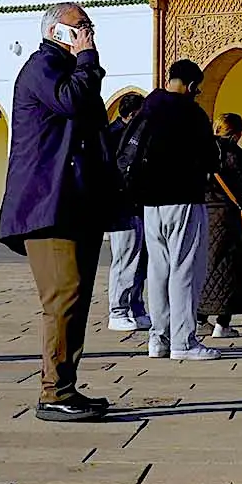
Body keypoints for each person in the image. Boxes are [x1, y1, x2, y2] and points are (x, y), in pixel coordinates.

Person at [0, 3, 121, 422]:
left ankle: (65, 387)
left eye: (89, 26)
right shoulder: (42, 66)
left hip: (74, 202)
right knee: (63, 296)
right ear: (56, 32)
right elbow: (72, 101)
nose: (88, 33)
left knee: (77, 298)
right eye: (79, 26)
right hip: (48, 205)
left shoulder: (70, 71)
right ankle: (53, 392)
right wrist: (88, 59)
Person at [128, 59, 220, 361]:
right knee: (185, 269)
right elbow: (211, 158)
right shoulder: (190, 113)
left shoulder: (147, 109)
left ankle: (159, 338)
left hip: (150, 203)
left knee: (158, 270)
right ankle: (183, 341)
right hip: (182, 199)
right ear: (192, 86)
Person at [200, 113, 242, 338]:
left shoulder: (201, 152)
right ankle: (222, 324)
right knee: (229, 271)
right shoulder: (236, 155)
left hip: (203, 216)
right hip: (229, 220)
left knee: (203, 269)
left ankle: (200, 319)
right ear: (236, 134)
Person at [104, 92, 150, 333]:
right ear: (132, 114)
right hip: (121, 206)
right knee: (124, 259)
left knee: (141, 260)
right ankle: (117, 310)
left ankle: (136, 307)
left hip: (139, 204)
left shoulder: (136, 136)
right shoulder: (112, 136)